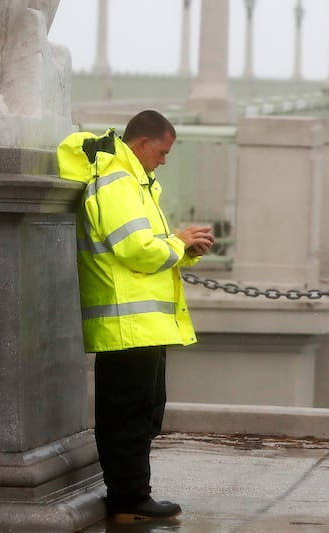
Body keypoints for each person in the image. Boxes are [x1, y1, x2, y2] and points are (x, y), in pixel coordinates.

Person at [57, 110, 214, 521]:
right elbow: (135, 250)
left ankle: (132, 496)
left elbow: (146, 244)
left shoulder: (135, 182)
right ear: (142, 143)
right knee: (128, 413)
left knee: (143, 409)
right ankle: (129, 499)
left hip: (139, 324)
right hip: (126, 324)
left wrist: (183, 248)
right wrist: (177, 241)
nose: (164, 160)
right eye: (162, 151)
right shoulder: (118, 181)